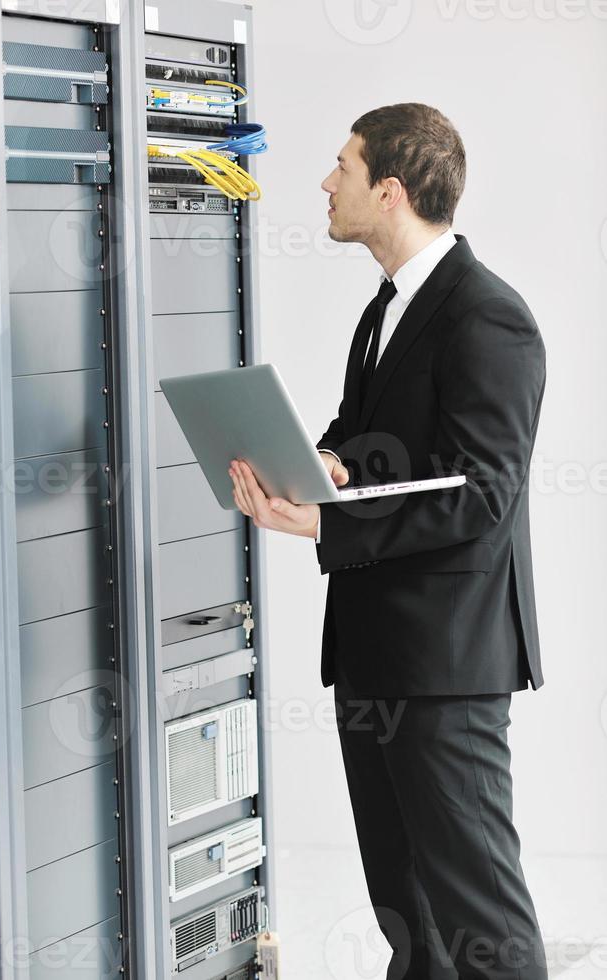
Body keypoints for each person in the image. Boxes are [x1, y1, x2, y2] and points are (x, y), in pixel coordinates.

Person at [228, 102, 547, 980]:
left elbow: (483, 494)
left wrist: (329, 521)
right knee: (410, 918)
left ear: (391, 190)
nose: (327, 184)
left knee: (482, 920)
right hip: (376, 656)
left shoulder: (488, 316)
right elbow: (374, 436)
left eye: (343, 167)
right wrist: (321, 460)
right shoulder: (387, 308)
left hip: (445, 668)